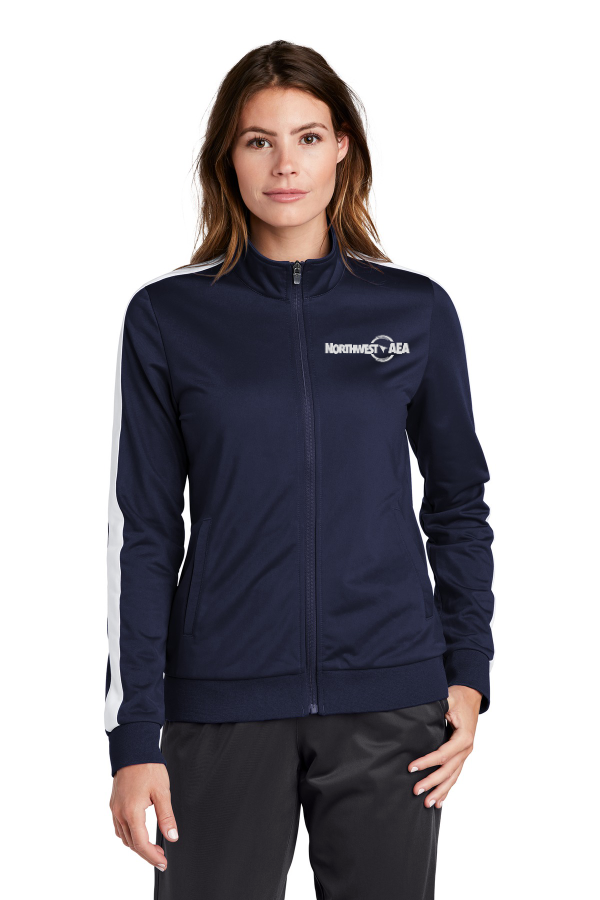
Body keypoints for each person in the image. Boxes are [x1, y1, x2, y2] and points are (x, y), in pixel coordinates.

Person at [105, 39, 495, 900]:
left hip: (392, 704)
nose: (286, 165)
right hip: (220, 702)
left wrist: (468, 672)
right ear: (228, 157)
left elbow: (458, 503)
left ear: (342, 146)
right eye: (259, 141)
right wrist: (134, 737)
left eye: (308, 138)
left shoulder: (414, 311)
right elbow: (144, 533)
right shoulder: (169, 318)